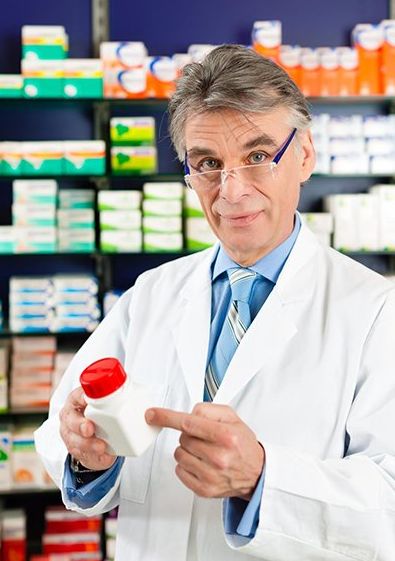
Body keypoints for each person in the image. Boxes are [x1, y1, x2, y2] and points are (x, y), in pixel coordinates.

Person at [35, 44, 395, 561]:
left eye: (256, 156)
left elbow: (388, 501)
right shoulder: (151, 295)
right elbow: (62, 431)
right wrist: (86, 454)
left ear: (306, 155)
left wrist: (262, 479)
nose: (231, 191)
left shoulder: (377, 312)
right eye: (208, 163)